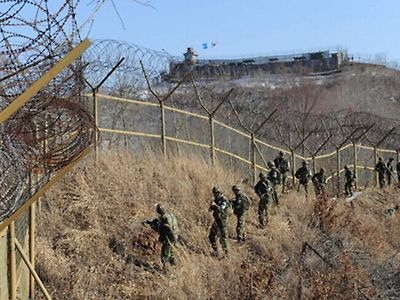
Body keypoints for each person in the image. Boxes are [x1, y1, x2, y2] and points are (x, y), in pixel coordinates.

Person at [143, 204, 180, 268]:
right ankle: (174, 267)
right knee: (172, 253)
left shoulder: (163, 218)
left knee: (165, 254)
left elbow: (159, 228)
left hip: (169, 238)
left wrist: (151, 225)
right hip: (176, 236)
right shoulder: (171, 215)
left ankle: (166, 269)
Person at [208, 186, 230, 258]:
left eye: (216, 193)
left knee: (223, 237)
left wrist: (216, 205)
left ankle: (226, 255)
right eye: (214, 193)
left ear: (219, 193)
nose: (214, 195)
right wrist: (211, 205)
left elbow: (221, 209)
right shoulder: (216, 199)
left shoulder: (224, 200)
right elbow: (210, 210)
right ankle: (215, 251)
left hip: (223, 221)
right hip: (217, 220)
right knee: (211, 236)